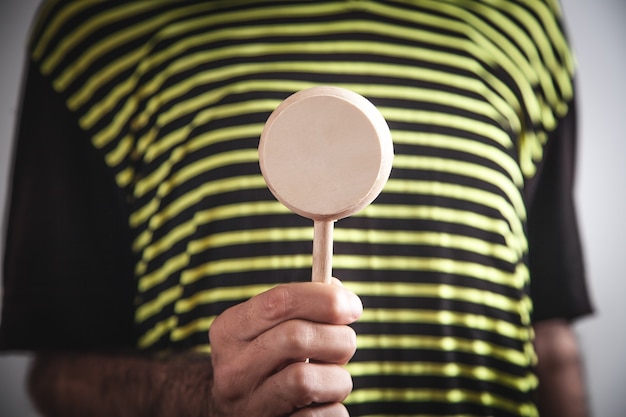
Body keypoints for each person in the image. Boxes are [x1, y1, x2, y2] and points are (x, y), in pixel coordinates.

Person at [0, 1, 593, 416]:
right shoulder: (98, 24)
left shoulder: (521, 19)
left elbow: (549, 338)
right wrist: (202, 399)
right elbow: (59, 372)